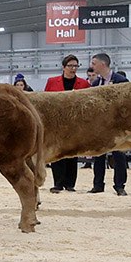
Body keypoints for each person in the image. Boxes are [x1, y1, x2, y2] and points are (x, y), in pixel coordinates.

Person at [44, 54, 90, 192]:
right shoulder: (52, 81)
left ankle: (70, 184)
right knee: (56, 154)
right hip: (56, 124)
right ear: (64, 67)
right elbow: (46, 101)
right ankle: (58, 183)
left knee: (72, 153)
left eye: (76, 66)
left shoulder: (84, 83)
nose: (73, 68)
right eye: (70, 66)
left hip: (75, 124)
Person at [87, 52, 129, 195]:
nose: (91, 66)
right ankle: (98, 184)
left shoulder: (121, 81)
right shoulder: (95, 83)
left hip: (117, 125)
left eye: (93, 63)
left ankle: (120, 185)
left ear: (102, 64)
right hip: (100, 125)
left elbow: (126, 103)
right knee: (98, 155)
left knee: (119, 155)